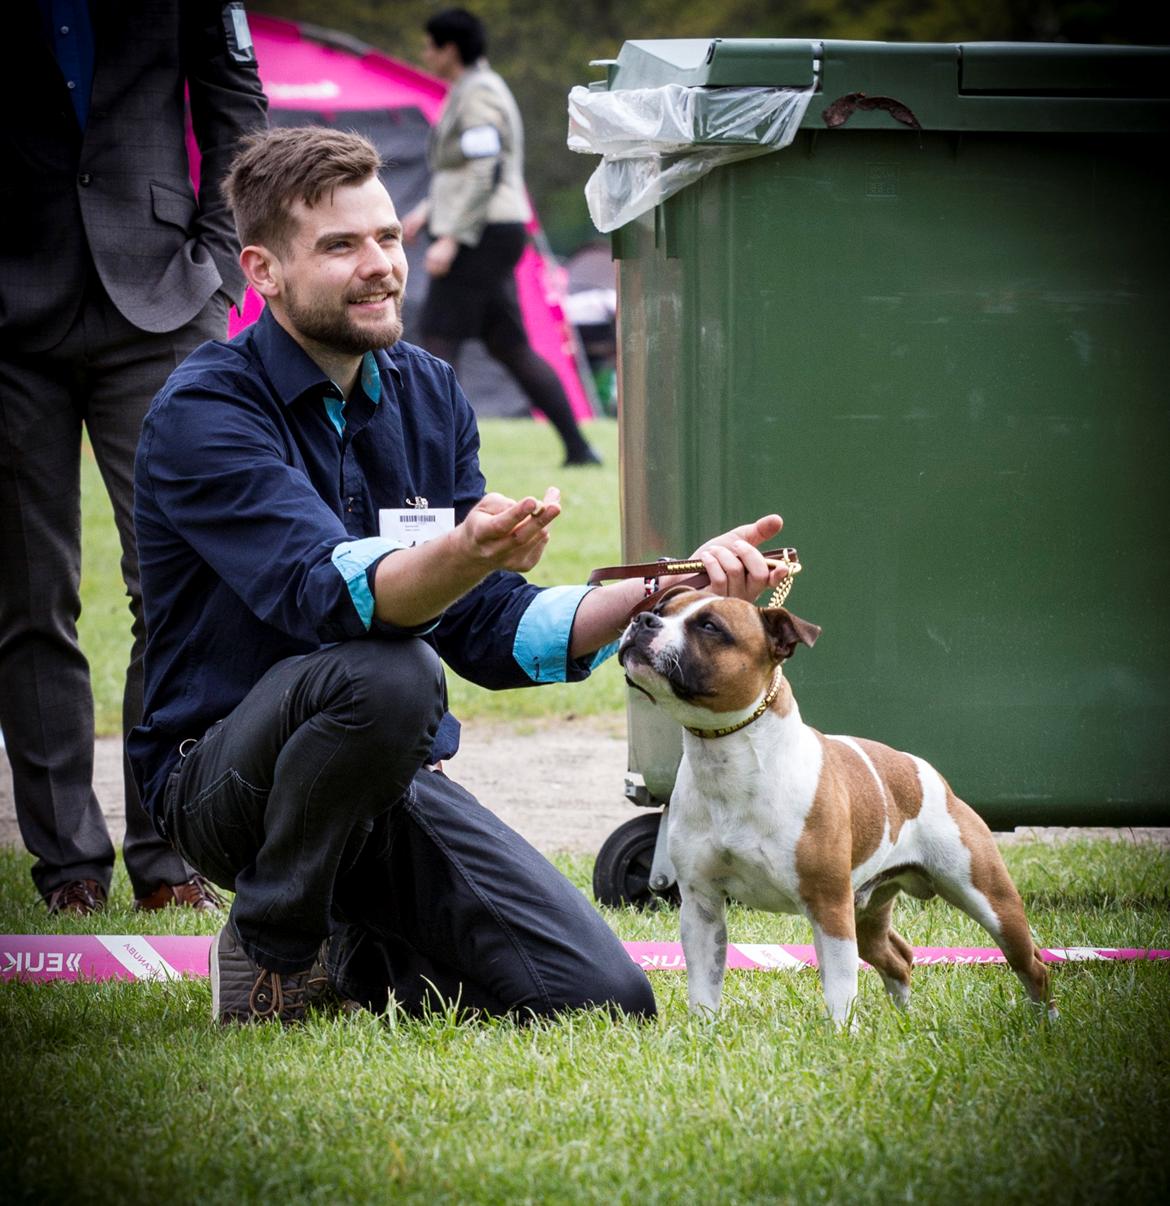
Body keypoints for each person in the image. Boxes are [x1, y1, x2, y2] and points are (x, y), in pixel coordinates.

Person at [129, 125, 793, 1026]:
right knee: (390, 670)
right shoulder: (204, 411)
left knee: (600, 998)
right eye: (340, 246)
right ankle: (274, 943)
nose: (381, 266)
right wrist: (462, 552)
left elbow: (488, 626)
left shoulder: (429, 394)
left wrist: (661, 596)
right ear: (263, 271)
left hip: (382, 776)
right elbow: (332, 594)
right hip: (218, 783)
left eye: (389, 238)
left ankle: (357, 942)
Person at [0, 2, 268, 915]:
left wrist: (222, 266)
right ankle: (68, 863)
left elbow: (236, 104)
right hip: (12, 313)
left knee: (177, 589)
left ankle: (167, 852)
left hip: (163, 296)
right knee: (29, 599)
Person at [401, 7, 602, 468]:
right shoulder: (469, 91)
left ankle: (428, 456)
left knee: (436, 340)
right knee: (508, 346)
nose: (425, 54)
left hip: (481, 235)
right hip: (491, 230)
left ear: (449, 49)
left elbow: (484, 168)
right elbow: (463, 170)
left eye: (430, 45)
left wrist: (451, 235)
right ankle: (579, 448)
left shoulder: (479, 95)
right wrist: (426, 211)